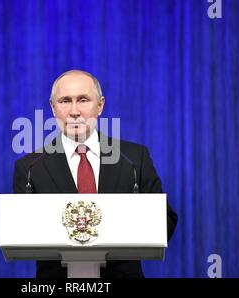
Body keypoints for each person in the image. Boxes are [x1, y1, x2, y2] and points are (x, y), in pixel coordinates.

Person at [13, 70, 178, 278]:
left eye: (83, 100)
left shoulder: (135, 159)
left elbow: (166, 220)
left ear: (100, 105)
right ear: (53, 108)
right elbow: (23, 231)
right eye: (65, 101)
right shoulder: (29, 168)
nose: (74, 111)